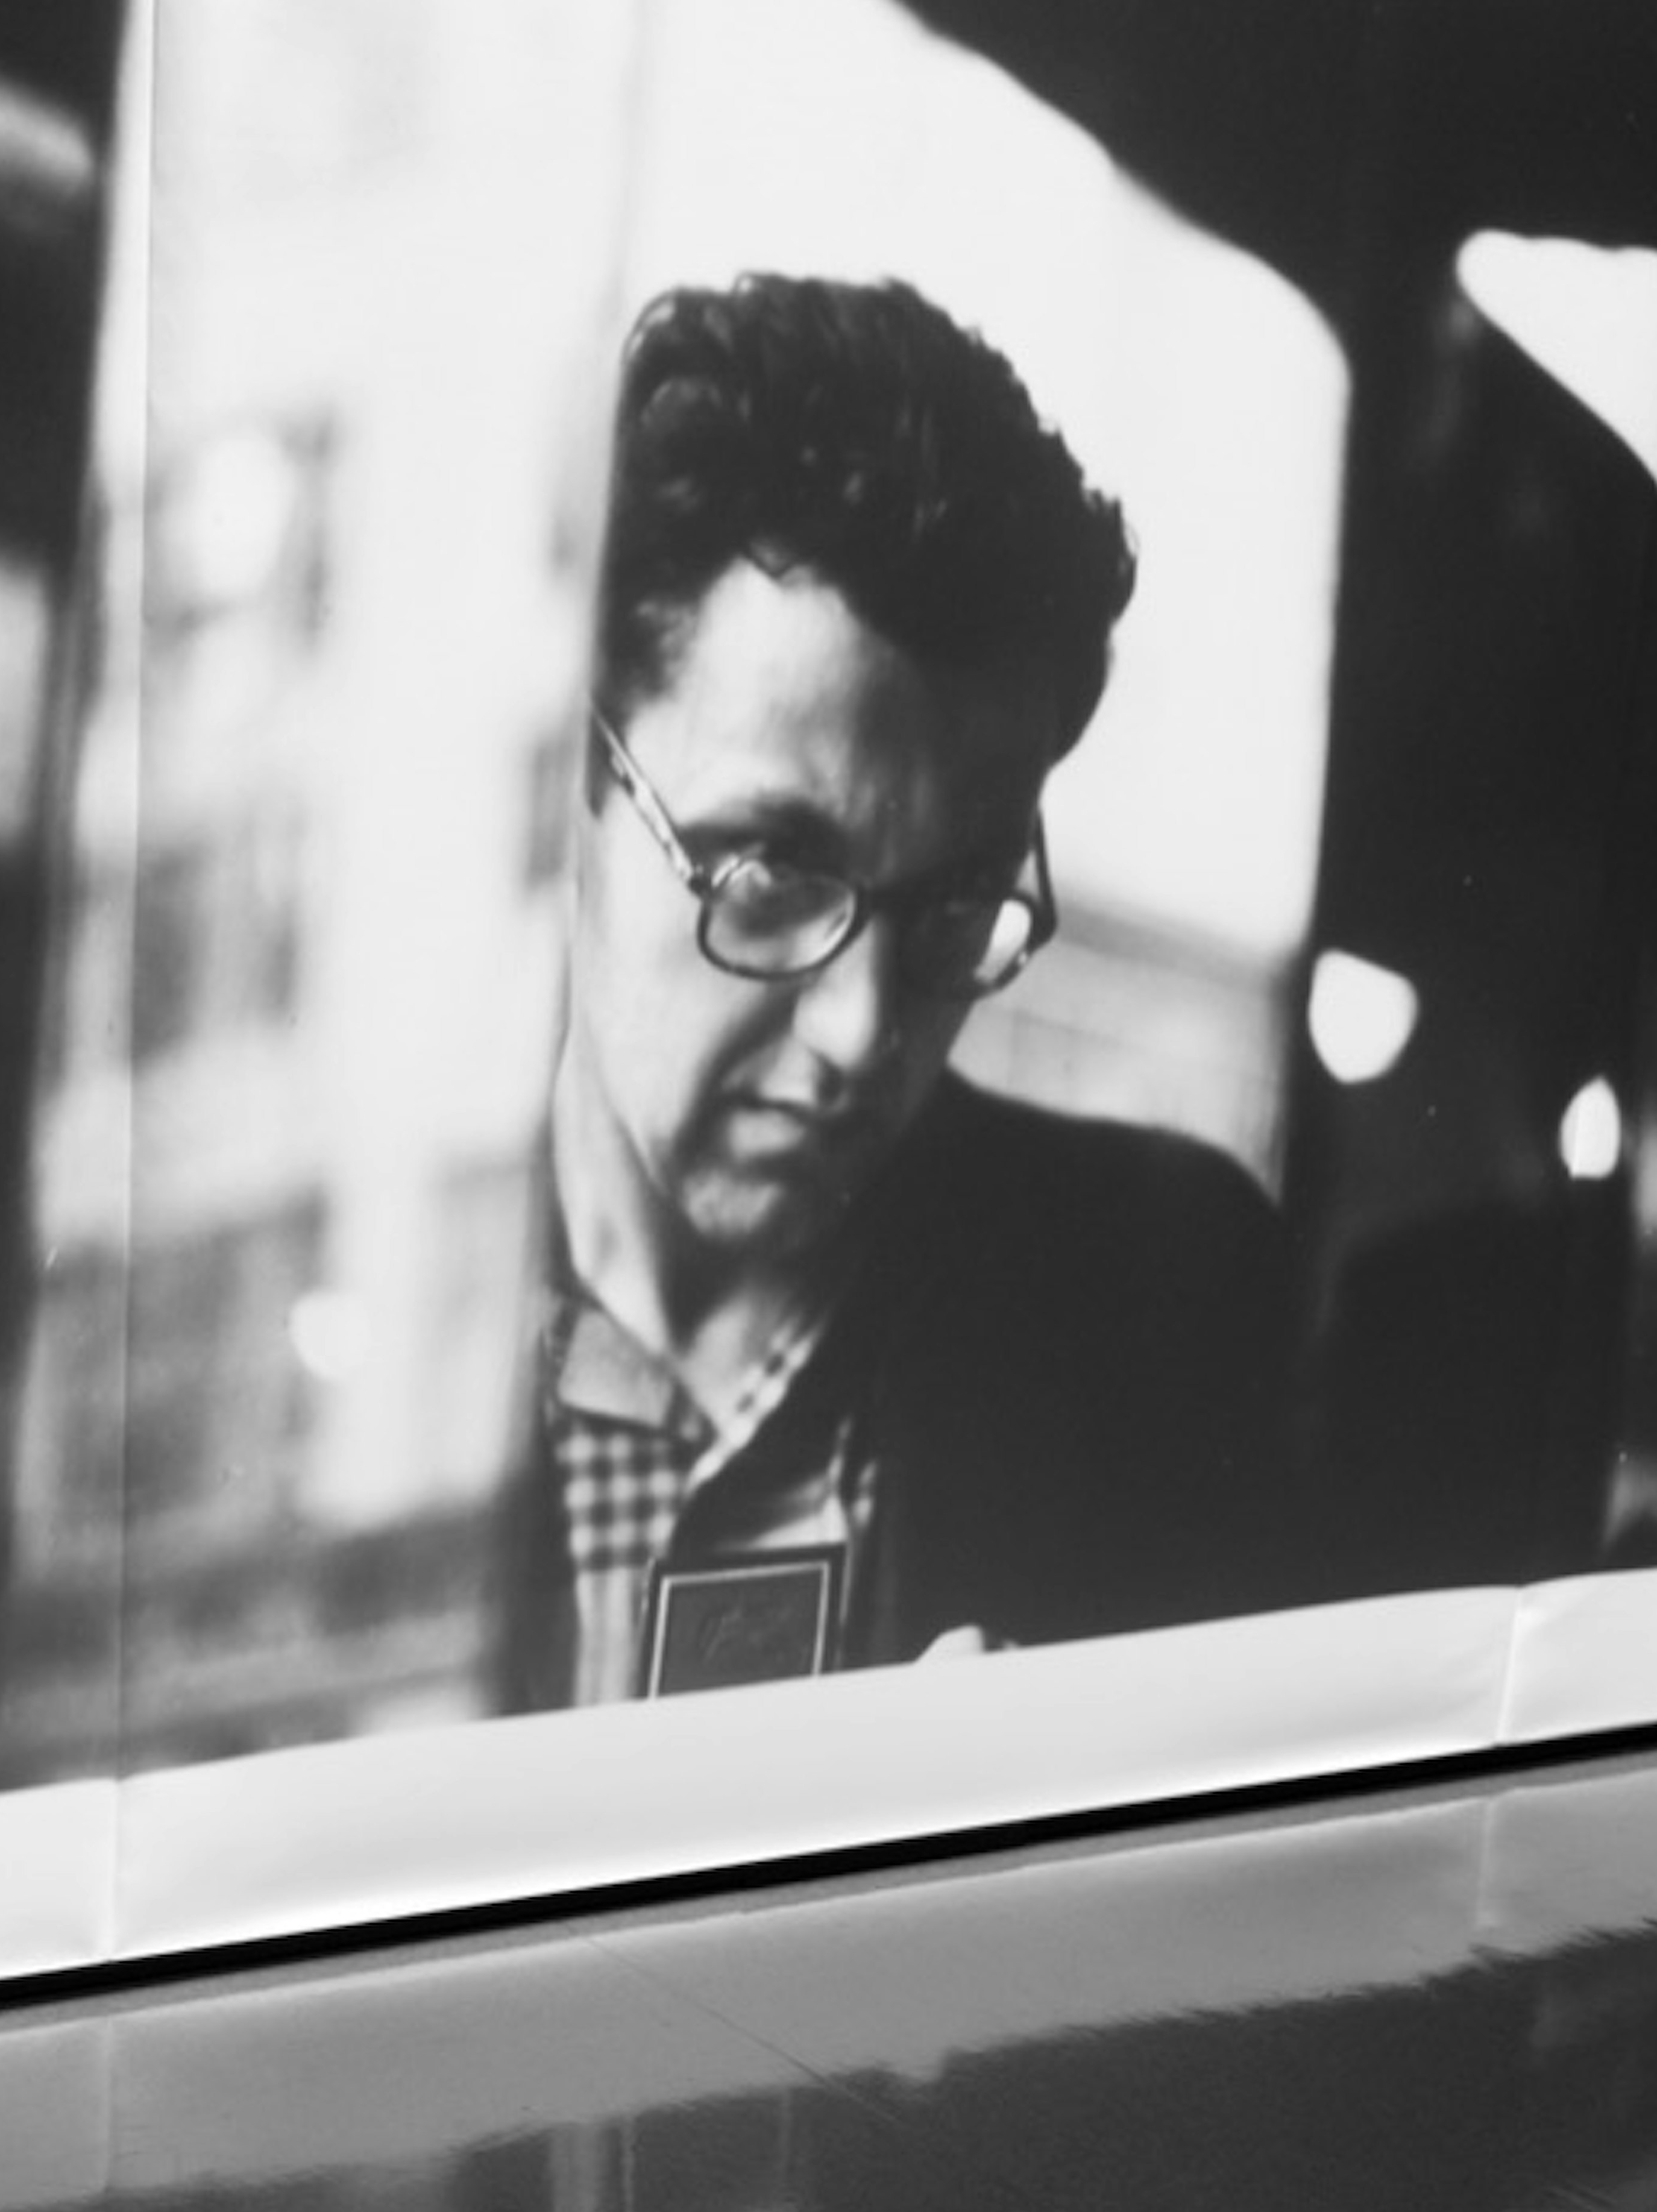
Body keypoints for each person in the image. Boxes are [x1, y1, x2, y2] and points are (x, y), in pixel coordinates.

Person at [495, 268, 1293, 1711]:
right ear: (572, 801)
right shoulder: (409, 1358)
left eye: (956, 904)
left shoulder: (1168, 1320)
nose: (862, 1032)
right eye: (772, 871)